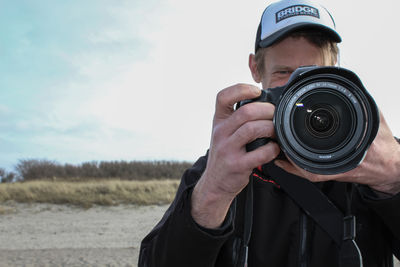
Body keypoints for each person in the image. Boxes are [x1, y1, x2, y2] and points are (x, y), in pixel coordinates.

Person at [139, 0, 400, 266]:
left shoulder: (375, 153)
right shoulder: (230, 161)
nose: (299, 88)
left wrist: (393, 181)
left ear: (336, 66)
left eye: (315, 73)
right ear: (255, 69)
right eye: (284, 73)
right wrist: (213, 194)